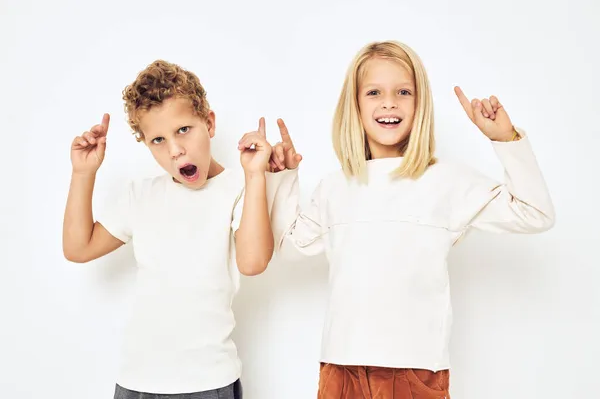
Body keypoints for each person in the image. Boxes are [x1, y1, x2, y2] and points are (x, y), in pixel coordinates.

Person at [267, 40, 555, 398]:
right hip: (341, 369)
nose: (389, 102)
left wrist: (505, 140)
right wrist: (282, 178)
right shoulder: (335, 186)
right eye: (374, 92)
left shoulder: (445, 181)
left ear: (421, 106)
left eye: (404, 91)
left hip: (415, 371)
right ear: (354, 106)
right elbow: (289, 247)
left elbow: (535, 213)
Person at [62, 59, 277, 399]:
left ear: (208, 122)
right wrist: (83, 174)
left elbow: (253, 263)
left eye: (183, 130)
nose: (175, 150)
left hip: (207, 381)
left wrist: (255, 177)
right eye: (158, 140)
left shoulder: (238, 188)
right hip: (137, 381)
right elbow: (79, 247)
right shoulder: (142, 195)